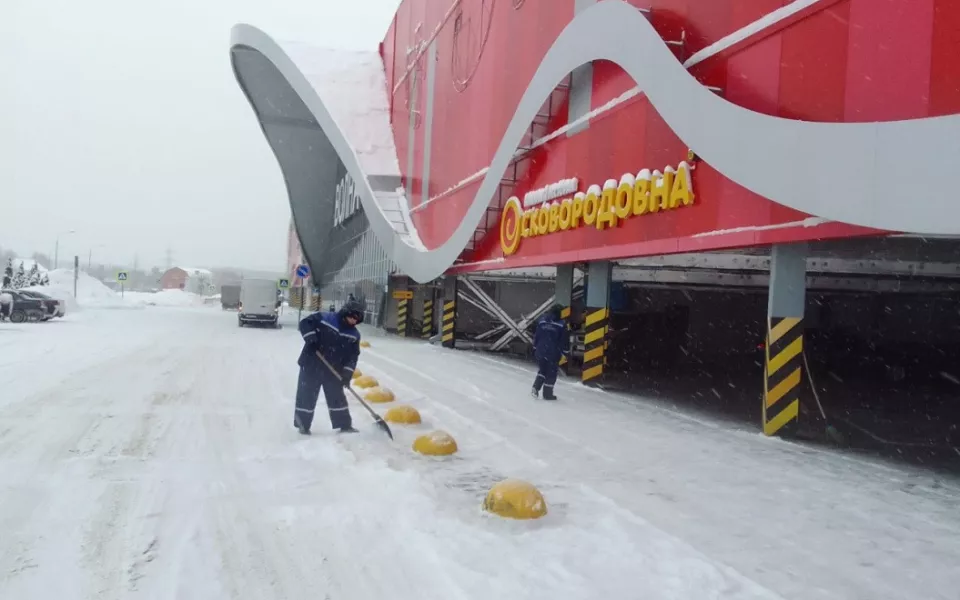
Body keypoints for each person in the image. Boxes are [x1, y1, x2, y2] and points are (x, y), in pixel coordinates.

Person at [295, 300, 365, 435]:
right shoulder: (325, 318)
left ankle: (344, 425)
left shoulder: (354, 335)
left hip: (333, 369)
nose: (354, 322)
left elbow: (352, 357)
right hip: (311, 363)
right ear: (346, 313)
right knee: (306, 395)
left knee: (337, 397)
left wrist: (347, 374)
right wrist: (311, 339)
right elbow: (304, 323)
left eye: (357, 320)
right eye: (353, 317)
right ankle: (303, 425)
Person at [531, 304, 568, 400]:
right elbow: (564, 340)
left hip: (540, 351)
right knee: (551, 373)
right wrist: (566, 352)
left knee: (542, 370)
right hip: (553, 352)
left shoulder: (542, 321)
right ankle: (547, 394)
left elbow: (537, 336)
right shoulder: (561, 324)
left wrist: (535, 347)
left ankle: (535, 387)